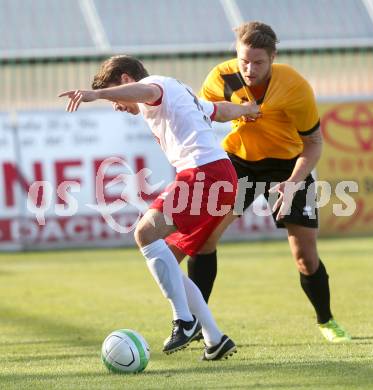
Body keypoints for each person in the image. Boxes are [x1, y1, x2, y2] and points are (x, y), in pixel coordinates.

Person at [59, 55, 260, 360]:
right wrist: (246, 110)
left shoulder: (154, 86)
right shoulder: (180, 92)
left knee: (145, 233)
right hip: (216, 177)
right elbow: (217, 111)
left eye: (116, 94)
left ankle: (184, 320)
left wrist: (97, 95)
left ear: (126, 80)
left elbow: (145, 92)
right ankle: (214, 339)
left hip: (205, 175)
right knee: (168, 257)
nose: (116, 105)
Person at [187, 21, 351, 343]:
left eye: (258, 62)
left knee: (305, 256)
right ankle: (194, 324)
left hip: (289, 166)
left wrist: (293, 183)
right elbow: (202, 115)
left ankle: (326, 320)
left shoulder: (294, 86)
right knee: (205, 238)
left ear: (273, 57)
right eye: (244, 60)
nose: (249, 68)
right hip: (239, 163)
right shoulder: (220, 77)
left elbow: (314, 143)